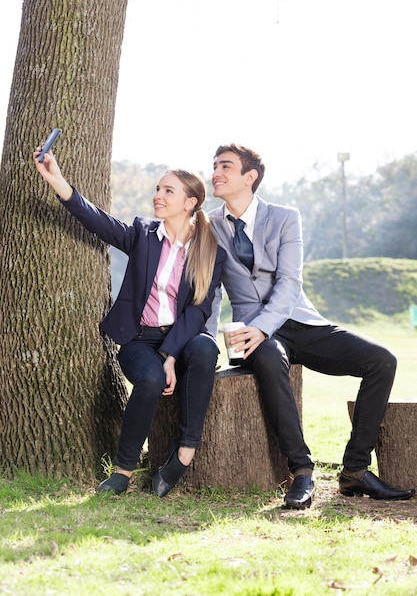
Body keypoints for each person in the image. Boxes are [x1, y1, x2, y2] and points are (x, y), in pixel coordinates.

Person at [208, 142, 415, 509]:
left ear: (250, 177)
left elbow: (290, 282)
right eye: (215, 166)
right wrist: (210, 343)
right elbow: (206, 289)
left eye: (225, 166)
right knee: (269, 355)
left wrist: (264, 326)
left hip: (299, 320)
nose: (216, 173)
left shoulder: (286, 217)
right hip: (249, 330)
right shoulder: (208, 226)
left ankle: (355, 471)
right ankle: (302, 471)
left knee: (382, 360)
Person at [34, 147, 226, 497]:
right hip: (138, 339)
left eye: (168, 191)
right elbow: (97, 220)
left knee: (204, 346)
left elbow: (199, 311)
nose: (158, 196)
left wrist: (170, 355)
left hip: (182, 339)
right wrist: (57, 180)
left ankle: (185, 452)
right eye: (157, 188)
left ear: (190, 202)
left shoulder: (210, 251)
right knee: (150, 379)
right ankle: (123, 471)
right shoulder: (142, 233)